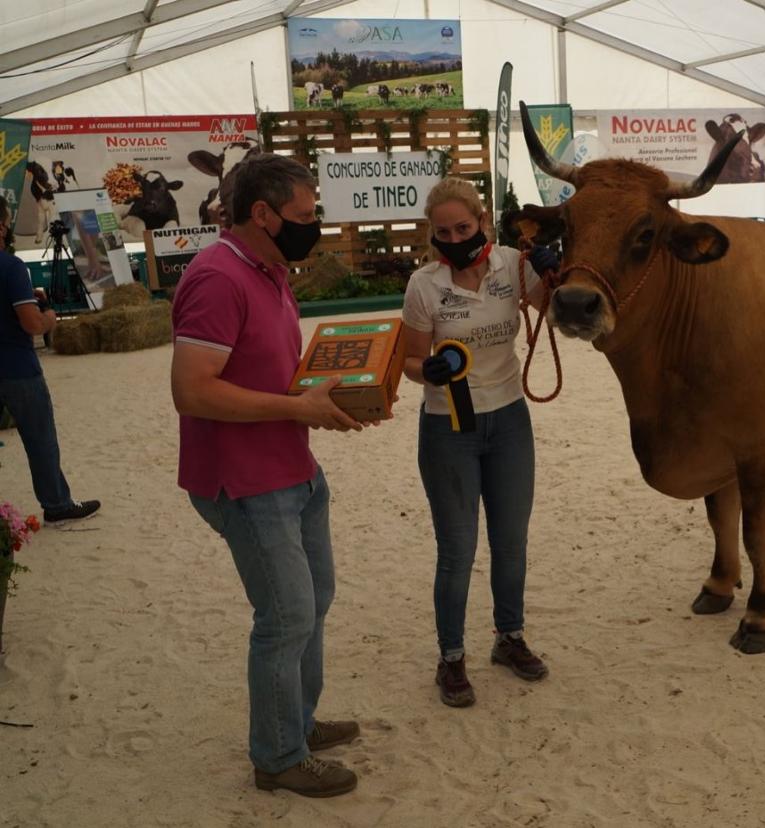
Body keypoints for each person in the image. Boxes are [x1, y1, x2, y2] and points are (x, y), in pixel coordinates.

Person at [170, 153, 367, 798]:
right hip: (246, 483)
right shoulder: (217, 278)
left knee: (314, 603)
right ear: (262, 213)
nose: (314, 227)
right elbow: (193, 392)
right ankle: (277, 756)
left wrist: (334, 387)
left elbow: (267, 365)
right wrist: (298, 407)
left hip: (293, 466)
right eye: (305, 217)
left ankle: (298, 724)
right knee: (285, 617)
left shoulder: (270, 266)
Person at [402, 177, 555, 708]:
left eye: (463, 227)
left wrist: (557, 268)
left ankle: (509, 639)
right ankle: (450, 658)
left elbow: (555, 310)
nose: (454, 237)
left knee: (511, 542)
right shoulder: (424, 284)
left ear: (483, 221)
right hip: (449, 428)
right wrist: (431, 370)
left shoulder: (513, 265)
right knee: (458, 549)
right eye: (443, 231)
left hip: (510, 418)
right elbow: (407, 362)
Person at [0, 195, 100, 525]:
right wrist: (50, 318)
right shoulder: (11, 267)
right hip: (17, 369)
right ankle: (57, 505)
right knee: (40, 438)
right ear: (2, 227)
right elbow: (30, 324)